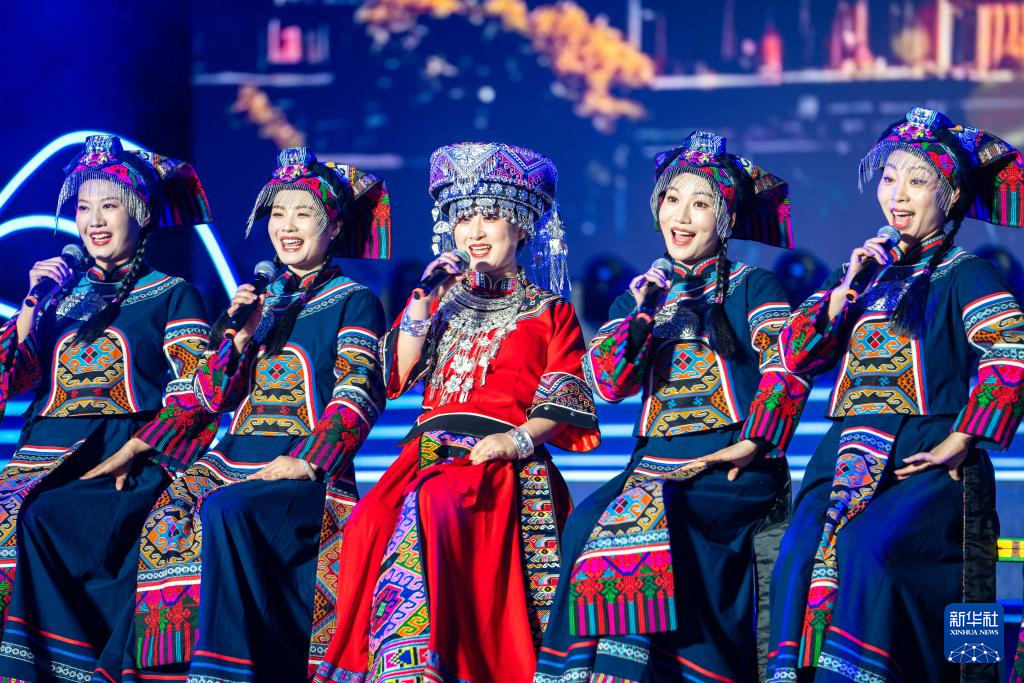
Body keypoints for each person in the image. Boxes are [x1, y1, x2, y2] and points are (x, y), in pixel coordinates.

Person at [313, 142, 601, 683]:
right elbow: (397, 376)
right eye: (464, 218)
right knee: (368, 520)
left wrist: (516, 440)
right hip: (425, 454)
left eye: (490, 216)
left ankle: (429, 665)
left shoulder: (549, 311)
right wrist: (422, 303)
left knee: (434, 503)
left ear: (521, 226)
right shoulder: (440, 302)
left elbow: (566, 398)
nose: (474, 231)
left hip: (497, 461)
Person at [535, 130, 810, 682]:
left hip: (733, 462)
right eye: (672, 199)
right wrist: (641, 316)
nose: (681, 216)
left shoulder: (754, 286)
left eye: (700, 204)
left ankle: (648, 671)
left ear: (725, 220)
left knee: (641, 518)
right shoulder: (636, 297)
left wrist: (755, 441)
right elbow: (607, 385)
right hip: (653, 464)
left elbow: (787, 364)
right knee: (585, 520)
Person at [767, 106, 1024, 682]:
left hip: (926, 457)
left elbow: (1011, 350)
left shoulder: (965, 272)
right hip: (842, 458)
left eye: (917, 180)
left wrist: (964, 437)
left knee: (869, 556)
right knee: (798, 558)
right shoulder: (859, 274)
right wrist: (841, 294)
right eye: (889, 178)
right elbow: (794, 355)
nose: (897, 194)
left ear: (950, 196)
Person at [129, 147, 390, 682]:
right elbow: (212, 398)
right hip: (231, 457)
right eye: (277, 213)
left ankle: (229, 670)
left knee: (227, 511)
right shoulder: (256, 302)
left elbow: (359, 389)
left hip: (306, 467)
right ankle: (167, 669)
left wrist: (310, 460)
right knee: (163, 514)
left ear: (334, 226)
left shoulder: (355, 300)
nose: (286, 227)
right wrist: (239, 336)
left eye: (303, 214)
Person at [0, 134, 217, 682]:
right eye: (83, 207)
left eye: (110, 205)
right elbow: (10, 376)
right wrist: (30, 307)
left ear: (139, 215)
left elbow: (197, 391)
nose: (94, 220)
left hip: (126, 457)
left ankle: (59, 667)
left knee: (43, 517)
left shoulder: (173, 293)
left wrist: (141, 448)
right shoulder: (58, 297)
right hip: (41, 456)